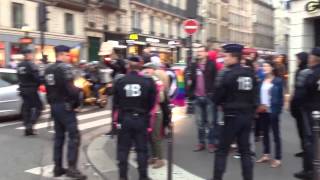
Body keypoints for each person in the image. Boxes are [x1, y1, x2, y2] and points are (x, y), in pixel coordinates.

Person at [212, 44, 257, 180]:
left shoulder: (228, 74)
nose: (224, 59)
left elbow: (217, 97)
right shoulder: (250, 73)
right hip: (247, 116)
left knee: (222, 150)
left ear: (234, 57)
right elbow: (255, 95)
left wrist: (220, 102)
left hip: (231, 116)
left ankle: (217, 178)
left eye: (226, 56)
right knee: (245, 151)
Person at [44, 45, 86, 179]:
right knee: (74, 137)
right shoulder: (65, 68)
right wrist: (78, 99)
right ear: (61, 55)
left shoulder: (48, 69)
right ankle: (72, 168)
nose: (68, 58)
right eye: (67, 55)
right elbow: (71, 89)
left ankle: (58, 167)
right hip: (66, 107)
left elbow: (47, 89)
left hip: (54, 106)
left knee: (59, 137)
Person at [113, 56, 156, 180]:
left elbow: (116, 103)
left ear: (128, 66)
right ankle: (143, 176)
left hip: (124, 119)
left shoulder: (120, 81)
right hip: (141, 119)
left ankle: (123, 177)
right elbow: (152, 103)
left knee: (123, 150)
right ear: (140, 66)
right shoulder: (148, 81)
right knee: (142, 150)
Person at [293, 47, 320, 179]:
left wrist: (297, 108)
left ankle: (310, 169)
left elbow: (299, 95)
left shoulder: (308, 73)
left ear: (313, 58)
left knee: (309, 140)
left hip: (309, 110)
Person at [256, 60, 284, 168]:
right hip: (263, 111)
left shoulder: (278, 81)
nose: (264, 68)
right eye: (263, 66)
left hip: (273, 111)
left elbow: (280, 98)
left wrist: (277, 110)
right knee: (265, 134)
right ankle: (266, 154)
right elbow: (259, 95)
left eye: (267, 66)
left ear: (272, 68)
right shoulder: (262, 80)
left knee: (276, 135)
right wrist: (259, 106)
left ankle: (278, 158)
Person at [191, 46, 218, 153]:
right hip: (197, 97)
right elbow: (190, 79)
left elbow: (216, 80)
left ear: (206, 53)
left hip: (208, 97)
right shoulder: (194, 65)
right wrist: (191, 93)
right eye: (198, 51)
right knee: (199, 122)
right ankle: (201, 143)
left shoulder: (212, 64)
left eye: (201, 51)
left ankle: (211, 143)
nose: (199, 53)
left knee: (211, 122)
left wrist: (213, 94)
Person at [142, 62, 166, 169]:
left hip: (156, 112)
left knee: (156, 137)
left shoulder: (157, 82)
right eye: (145, 68)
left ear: (153, 70)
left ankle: (160, 159)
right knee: (149, 136)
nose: (146, 70)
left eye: (148, 68)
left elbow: (161, 99)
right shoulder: (145, 81)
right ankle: (153, 156)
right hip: (148, 112)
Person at [17, 48, 42, 136]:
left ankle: (27, 128)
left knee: (26, 109)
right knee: (39, 107)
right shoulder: (31, 65)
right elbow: (37, 78)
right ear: (28, 55)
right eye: (31, 54)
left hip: (23, 89)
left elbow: (19, 77)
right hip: (31, 89)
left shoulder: (19, 65)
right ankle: (30, 125)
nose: (32, 56)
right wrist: (40, 83)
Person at [290, 52, 309, 158]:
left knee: (304, 129)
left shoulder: (305, 71)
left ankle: (307, 150)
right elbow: (296, 88)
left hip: (302, 105)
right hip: (298, 105)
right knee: (301, 129)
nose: (296, 61)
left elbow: (301, 91)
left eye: (297, 59)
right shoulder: (299, 70)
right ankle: (304, 149)